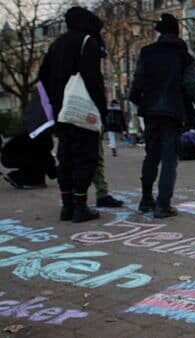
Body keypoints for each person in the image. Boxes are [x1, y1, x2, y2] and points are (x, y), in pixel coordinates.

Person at [130, 13, 195, 218]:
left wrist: (143, 103)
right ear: (177, 33)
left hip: (151, 112)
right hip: (173, 113)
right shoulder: (184, 57)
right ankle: (163, 204)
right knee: (169, 160)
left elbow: (136, 86)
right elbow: (189, 85)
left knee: (151, 156)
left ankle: (146, 199)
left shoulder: (147, 53)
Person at [38, 6, 107, 222]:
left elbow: (42, 76)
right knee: (84, 157)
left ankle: (67, 205)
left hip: (61, 112)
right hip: (81, 110)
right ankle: (80, 206)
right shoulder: (88, 42)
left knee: (65, 157)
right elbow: (93, 80)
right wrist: (100, 109)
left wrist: (54, 103)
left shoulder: (56, 44)